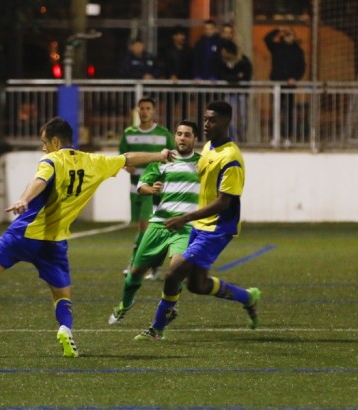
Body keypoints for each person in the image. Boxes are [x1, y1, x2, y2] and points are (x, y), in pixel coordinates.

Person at [0, 116, 174, 358]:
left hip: (24, 234)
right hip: (54, 243)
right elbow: (129, 159)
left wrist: (24, 199)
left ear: (55, 142)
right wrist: (160, 156)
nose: (42, 146)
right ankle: (65, 330)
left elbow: (40, 180)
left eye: (44, 141)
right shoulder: (95, 162)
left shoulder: (51, 160)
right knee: (61, 295)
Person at [134, 100, 261, 341]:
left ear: (226, 122)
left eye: (212, 120)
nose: (205, 124)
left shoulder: (231, 158)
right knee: (197, 285)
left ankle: (156, 329)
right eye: (205, 118)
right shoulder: (211, 146)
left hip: (217, 228)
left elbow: (224, 202)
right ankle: (248, 297)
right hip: (200, 225)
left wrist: (185, 217)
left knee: (173, 275)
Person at [108, 120, 200, 325]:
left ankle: (168, 310)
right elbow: (142, 186)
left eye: (187, 134)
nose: (182, 138)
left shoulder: (202, 163)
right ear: (174, 137)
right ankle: (125, 304)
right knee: (135, 274)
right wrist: (152, 189)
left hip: (184, 228)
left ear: (195, 139)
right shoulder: (162, 161)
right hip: (158, 224)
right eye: (179, 134)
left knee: (176, 271)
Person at [118, 97, 174, 278]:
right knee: (145, 228)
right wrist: (125, 166)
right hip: (135, 189)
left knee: (144, 227)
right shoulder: (128, 133)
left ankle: (135, 266)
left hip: (153, 189)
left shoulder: (163, 134)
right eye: (141, 108)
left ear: (154, 111)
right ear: (137, 111)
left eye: (148, 108)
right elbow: (122, 157)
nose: (144, 112)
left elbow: (173, 158)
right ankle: (154, 264)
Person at [264, 26, 306, 143]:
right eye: (286, 35)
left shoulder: (297, 50)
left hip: (290, 85)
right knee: (276, 110)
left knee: (288, 111)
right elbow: (267, 39)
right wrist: (278, 29)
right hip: (277, 83)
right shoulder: (277, 47)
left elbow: (301, 67)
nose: (288, 37)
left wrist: (295, 78)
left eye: (290, 35)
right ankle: (275, 136)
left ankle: (288, 136)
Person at [219, 41, 252, 141]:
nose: (223, 55)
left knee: (243, 117)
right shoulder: (223, 63)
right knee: (231, 119)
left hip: (241, 93)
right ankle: (233, 138)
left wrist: (233, 78)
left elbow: (246, 76)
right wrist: (236, 77)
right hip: (229, 93)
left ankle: (242, 138)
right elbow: (223, 76)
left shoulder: (243, 61)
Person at [163, 25, 194, 128]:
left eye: (182, 35)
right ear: (174, 37)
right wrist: (170, 75)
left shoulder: (188, 50)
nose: (181, 37)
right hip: (170, 84)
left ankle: (184, 129)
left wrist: (190, 78)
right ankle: (168, 130)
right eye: (179, 35)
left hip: (184, 83)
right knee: (169, 108)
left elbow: (190, 66)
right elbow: (165, 65)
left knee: (184, 108)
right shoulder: (168, 50)